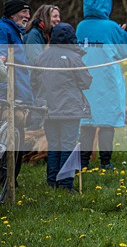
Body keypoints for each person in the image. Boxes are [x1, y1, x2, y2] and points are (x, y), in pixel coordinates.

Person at [76, 0, 127, 170]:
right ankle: (105, 162)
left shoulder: (80, 26)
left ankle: (83, 162)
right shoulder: (111, 27)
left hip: (85, 81)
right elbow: (126, 49)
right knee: (107, 122)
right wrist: (121, 33)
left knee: (86, 123)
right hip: (107, 81)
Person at [32, 23, 91, 192]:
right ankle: (65, 183)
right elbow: (86, 81)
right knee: (68, 145)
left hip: (47, 110)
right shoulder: (74, 58)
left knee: (54, 145)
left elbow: (34, 82)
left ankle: (52, 181)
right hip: (69, 109)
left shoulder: (41, 57)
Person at [0, 0, 34, 183]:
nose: (28, 16)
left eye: (28, 12)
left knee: (17, 138)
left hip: (19, 92)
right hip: (8, 94)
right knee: (10, 138)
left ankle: (11, 179)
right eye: (23, 12)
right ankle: (7, 178)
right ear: (12, 14)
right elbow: (2, 65)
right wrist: (7, 93)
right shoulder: (3, 30)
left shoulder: (16, 31)